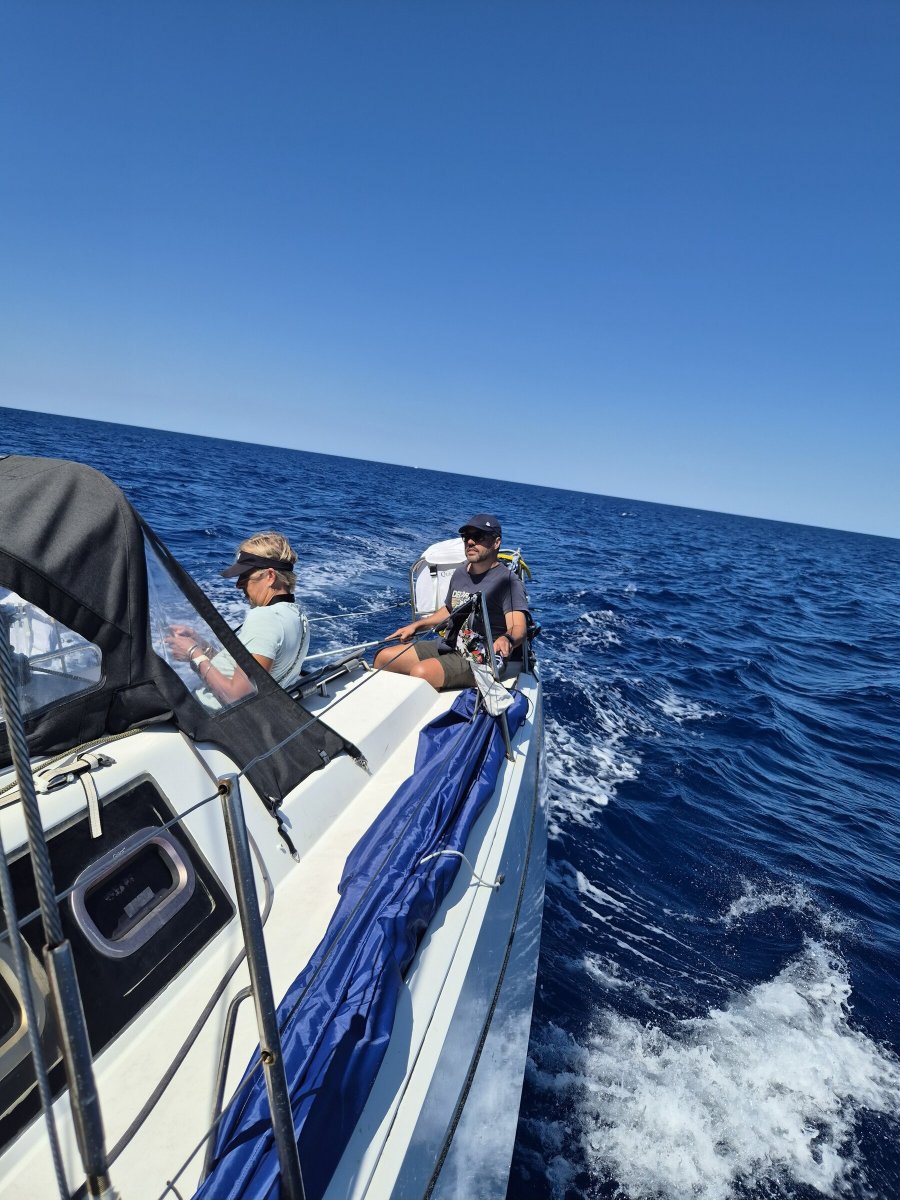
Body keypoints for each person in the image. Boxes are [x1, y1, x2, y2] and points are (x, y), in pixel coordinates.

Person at [374, 513, 528, 691]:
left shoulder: (508, 582)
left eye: (478, 537)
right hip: (450, 644)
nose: (470, 542)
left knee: (421, 673)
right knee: (384, 658)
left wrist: (507, 639)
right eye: (466, 537)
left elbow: (518, 627)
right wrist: (417, 626)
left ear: (496, 542)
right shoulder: (461, 573)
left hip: (480, 658)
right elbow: (449, 609)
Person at [166, 532, 309, 706]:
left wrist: (193, 653)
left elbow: (236, 696)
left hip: (210, 715)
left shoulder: (265, 618)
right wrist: (202, 645)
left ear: (270, 576)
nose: (238, 584)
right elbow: (247, 671)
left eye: (245, 575)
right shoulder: (297, 615)